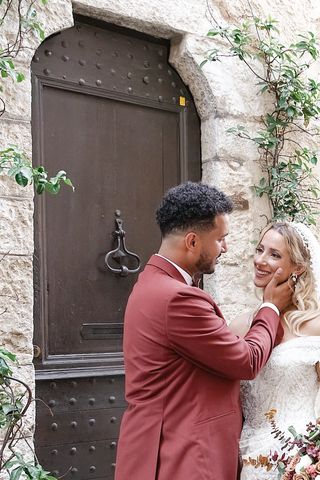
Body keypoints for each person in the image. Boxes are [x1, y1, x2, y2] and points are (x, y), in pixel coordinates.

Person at [114, 182, 293, 480]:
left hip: (155, 449)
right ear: (193, 242)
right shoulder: (178, 298)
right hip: (184, 456)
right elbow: (246, 361)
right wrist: (271, 308)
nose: (226, 247)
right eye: (221, 239)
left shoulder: (150, 283)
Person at [230, 222, 320, 480]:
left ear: (298, 268)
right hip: (245, 460)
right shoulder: (240, 326)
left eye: (274, 255)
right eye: (259, 250)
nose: (261, 260)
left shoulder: (317, 326)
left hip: (296, 463)